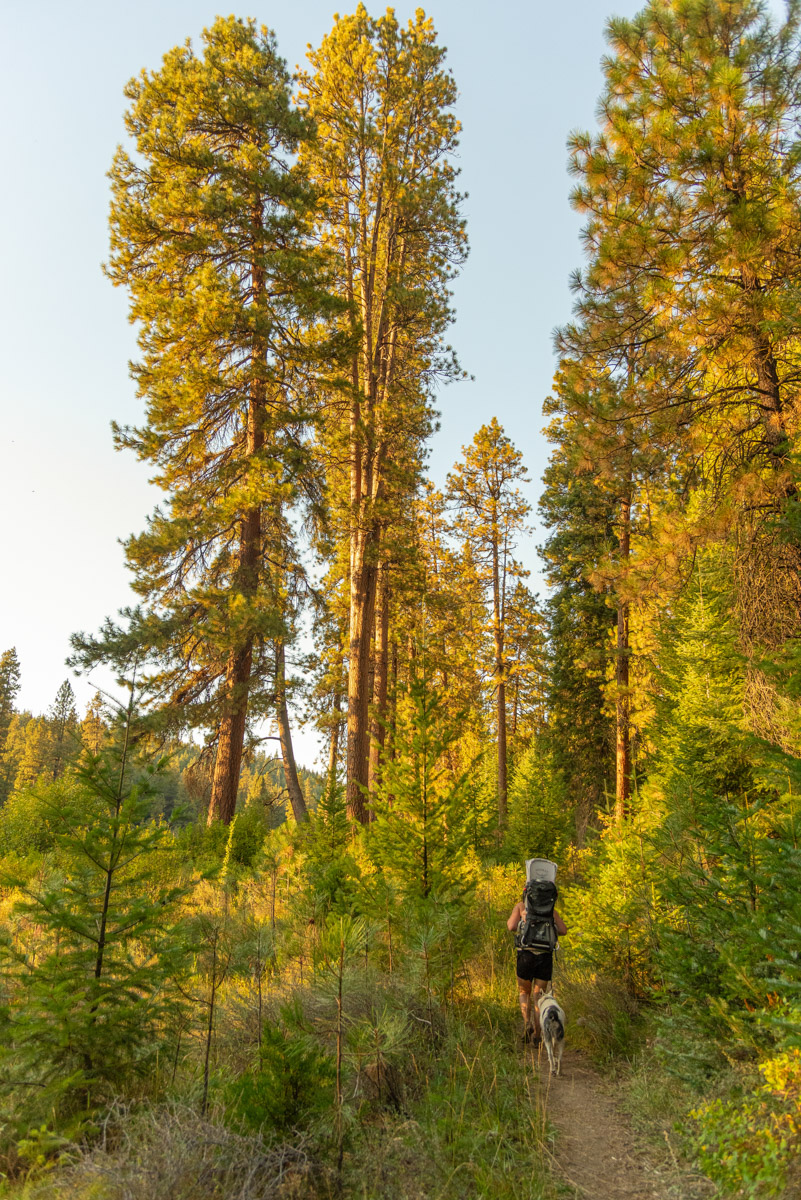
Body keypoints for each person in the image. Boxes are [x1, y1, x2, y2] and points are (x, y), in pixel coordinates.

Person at [507, 892, 568, 1044]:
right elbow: (563, 930)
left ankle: (527, 1023)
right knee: (538, 997)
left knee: (524, 992)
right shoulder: (551, 910)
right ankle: (537, 1034)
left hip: (525, 955)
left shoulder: (521, 907)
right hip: (544, 957)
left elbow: (511, 926)